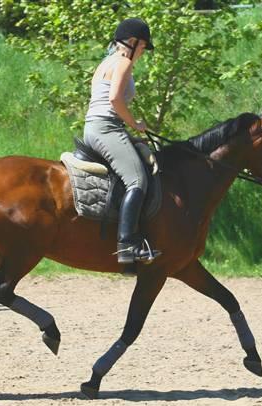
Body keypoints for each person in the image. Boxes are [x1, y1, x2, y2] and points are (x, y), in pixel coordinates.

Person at [83, 18, 161, 265]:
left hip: (95, 127)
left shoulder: (105, 62)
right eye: (142, 47)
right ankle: (128, 245)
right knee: (137, 180)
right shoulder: (123, 62)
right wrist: (135, 124)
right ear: (132, 42)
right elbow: (116, 100)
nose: (142, 53)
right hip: (106, 128)